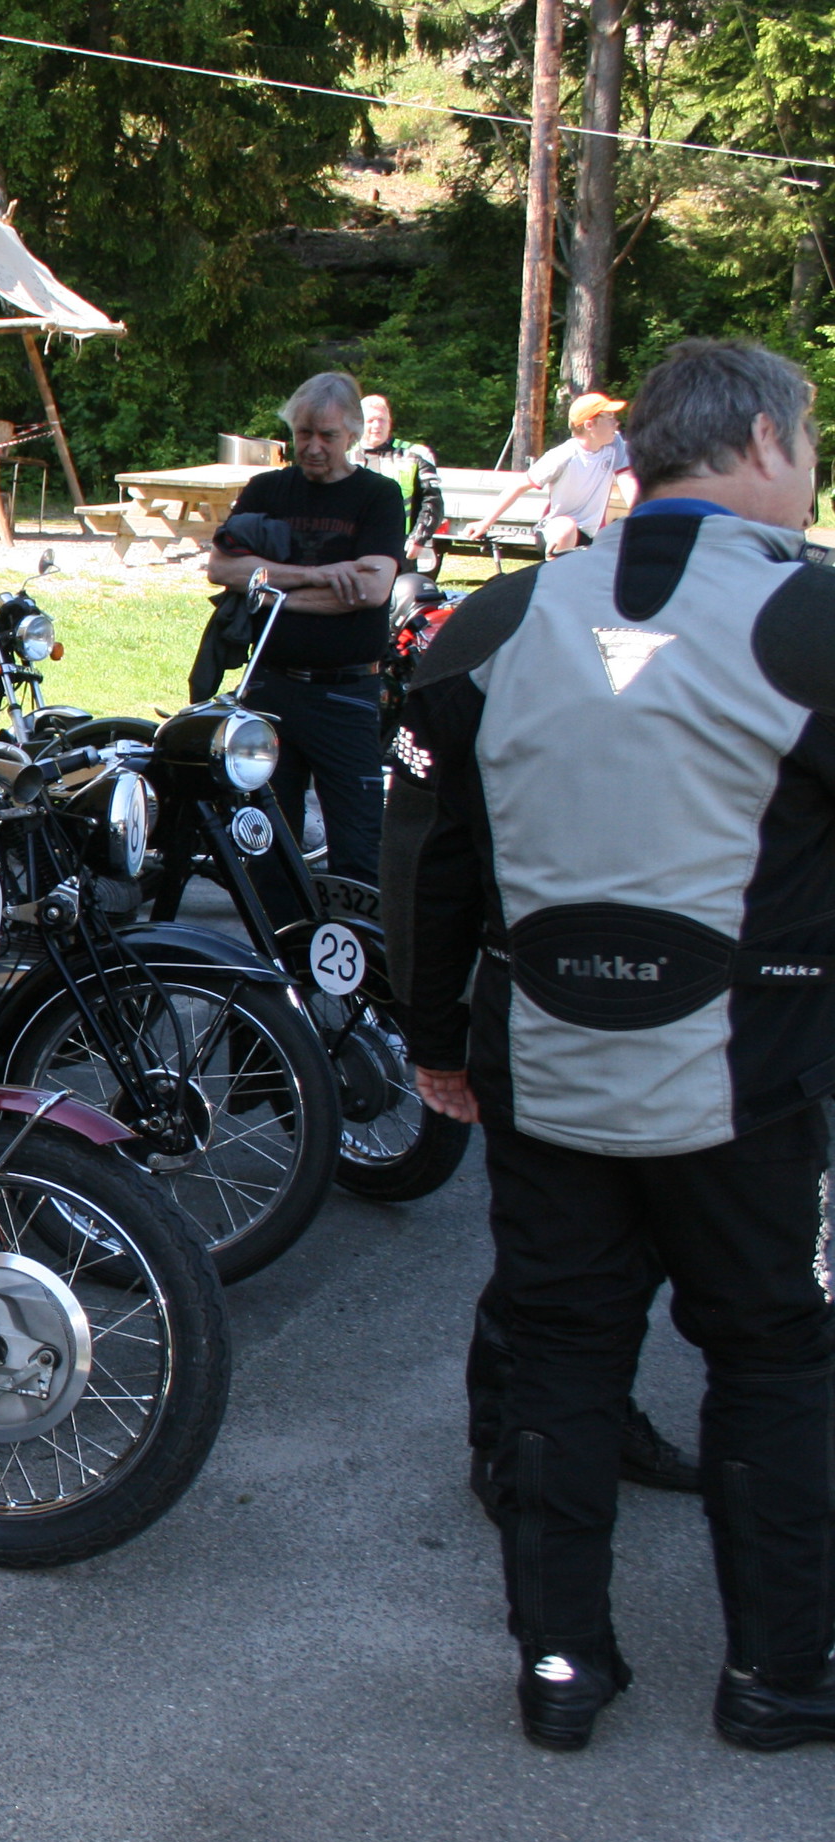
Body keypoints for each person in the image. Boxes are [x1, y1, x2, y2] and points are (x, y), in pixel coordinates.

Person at [382, 337, 835, 1752]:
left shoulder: (495, 621)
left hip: (545, 1066)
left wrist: (432, 1034)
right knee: (773, 1359)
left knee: (561, 1354)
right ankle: (779, 1676)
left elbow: (424, 852)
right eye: (811, 444)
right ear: (761, 441)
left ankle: (560, 1670)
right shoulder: (815, 616)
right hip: (751, 1082)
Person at [206, 370, 406, 885]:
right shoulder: (267, 490)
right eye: (303, 434)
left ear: (353, 433)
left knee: (358, 844)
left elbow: (371, 590)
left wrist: (269, 591)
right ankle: (279, 934)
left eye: (328, 436)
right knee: (267, 843)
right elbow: (222, 568)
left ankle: (354, 934)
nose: (314, 447)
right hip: (271, 686)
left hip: (346, 693)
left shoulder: (378, 495)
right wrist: (318, 576)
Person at [468, 392, 634, 556]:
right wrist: (485, 523)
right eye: (610, 417)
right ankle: (556, 569)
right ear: (589, 425)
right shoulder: (564, 455)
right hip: (555, 531)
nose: (616, 423)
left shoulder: (615, 444)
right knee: (566, 527)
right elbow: (518, 486)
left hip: (592, 535)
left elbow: (628, 482)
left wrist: (643, 516)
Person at [356, 392, 444, 573]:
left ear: (390, 422)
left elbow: (432, 500)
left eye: (382, 420)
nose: (377, 426)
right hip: (353, 544)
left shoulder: (415, 454)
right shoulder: (344, 454)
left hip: (398, 545)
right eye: (370, 420)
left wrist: (419, 537)